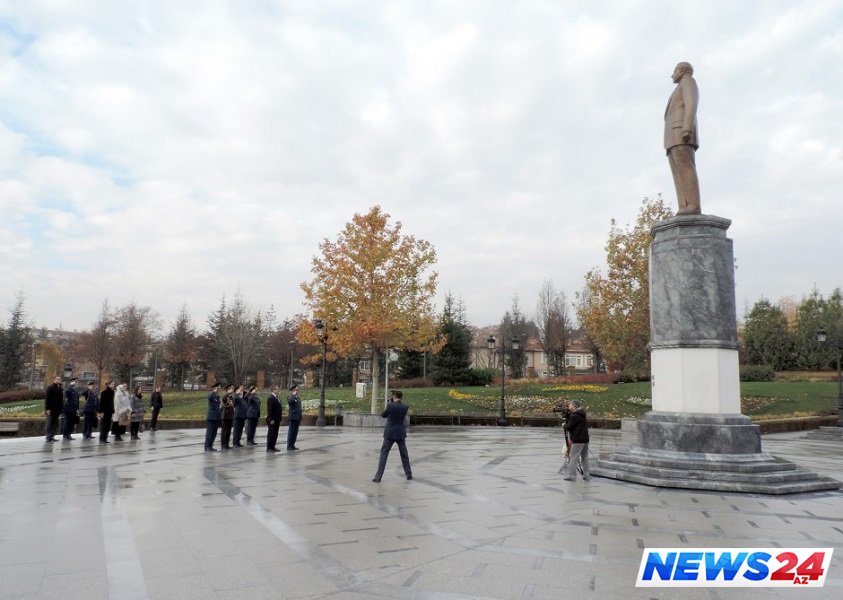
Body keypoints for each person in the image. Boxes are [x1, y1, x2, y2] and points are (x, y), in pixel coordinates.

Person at [664, 61, 701, 215]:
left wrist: (687, 128)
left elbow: (691, 103)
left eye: (675, 71)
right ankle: (683, 206)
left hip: (680, 132)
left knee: (686, 168)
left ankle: (692, 205)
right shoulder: (678, 87)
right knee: (677, 172)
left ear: (683, 71)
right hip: (672, 137)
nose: (672, 75)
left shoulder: (688, 82)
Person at [372, 390, 413, 482]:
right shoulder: (405, 406)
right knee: (404, 454)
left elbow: (383, 415)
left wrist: (389, 404)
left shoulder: (390, 405)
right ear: (401, 397)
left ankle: (378, 477)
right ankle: (409, 474)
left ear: (394, 396)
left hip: (389, 433)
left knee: (384, 454)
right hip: (400, 433)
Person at [562, 400, 591, 482]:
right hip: (585, 439)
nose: (568, 406)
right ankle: (587, 476)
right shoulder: (582, 413)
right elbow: (575, 423)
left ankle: (572, 476)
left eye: (570, 405)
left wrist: (564, 425)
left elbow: (569, 427)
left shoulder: (574, 415)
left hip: (577, 439)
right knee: (585, 458)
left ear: (574, 406)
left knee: (573, 458)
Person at [44, 376, 63, 442]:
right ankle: (48, 436)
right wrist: (47, 408)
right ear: (54, 380)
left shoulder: (60, 388)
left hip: (57, 409)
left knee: (55, 423)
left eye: (59, 379)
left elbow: (61, 400)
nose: (59, 380)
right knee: (49, 423)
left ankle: (52, 436)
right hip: (51, 409)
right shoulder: (50, 387)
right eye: (57, 379)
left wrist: (61, 409)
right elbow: (47, 398)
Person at [204, 382, 222, 452]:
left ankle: (211, 446)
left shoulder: (217, 396)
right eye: (218, 388)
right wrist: (213, 391)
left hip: (216, 417)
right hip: (211, 417)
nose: (219, 389)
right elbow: (209, 397)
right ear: (215, 388)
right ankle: (207, 447)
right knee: (210, 432)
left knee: (214, 433)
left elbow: (219, 405)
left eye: (219, 388)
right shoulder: (211, 395)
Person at [286, 384, 302, 451]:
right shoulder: (290, 397)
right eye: (296, 390)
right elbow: (290, 402)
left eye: (298, 390)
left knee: (295, 433)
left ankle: (292, 445)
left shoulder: (297, 398)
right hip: (292, 417)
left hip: (297, 417)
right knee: (291, 432)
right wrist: (293, 395)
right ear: (293, 390)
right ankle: (289, 446)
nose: (297, 391)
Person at [220, 385, 235, 449]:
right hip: (225, 415)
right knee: (224, 431)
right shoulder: (225, 396)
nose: (232, 390)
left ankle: (227, 444)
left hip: (230, 416)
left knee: (228, 431)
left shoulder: (230, 397)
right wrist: (227, 393)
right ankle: (223, 445)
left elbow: (233, 403)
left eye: (232, 389)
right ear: (227, 390)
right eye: (231, 389)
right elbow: (223, 399)